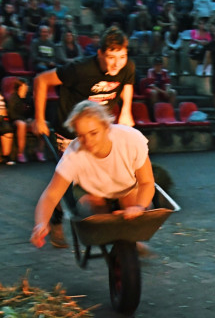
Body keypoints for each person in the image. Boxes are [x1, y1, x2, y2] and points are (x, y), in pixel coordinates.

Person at [30, 100, 156, 250]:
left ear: (106, 127)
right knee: (95, 215)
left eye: (93, 133)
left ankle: (130, 241)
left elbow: (147, 182)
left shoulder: (130, 140)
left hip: (126, 187)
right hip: (91, 191)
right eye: (81, 136)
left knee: (133, 207)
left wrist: (139, 206)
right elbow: (51, 194)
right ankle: (119, 239)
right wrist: (41, 223)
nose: (88, 142)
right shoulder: (74, 153)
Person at [6, 78, 43, 163]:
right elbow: (11, 113)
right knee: (21, 124)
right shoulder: (13, 98)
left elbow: (34, 111)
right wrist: (23, 120)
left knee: (42, 124)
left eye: (26, 85)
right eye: (24, 85)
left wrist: (31, 119)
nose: (26, 87)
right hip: (16, 120)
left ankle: (39, 150)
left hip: (28, 120)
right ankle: (20, 153)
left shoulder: (29, 98)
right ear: (19, 87)